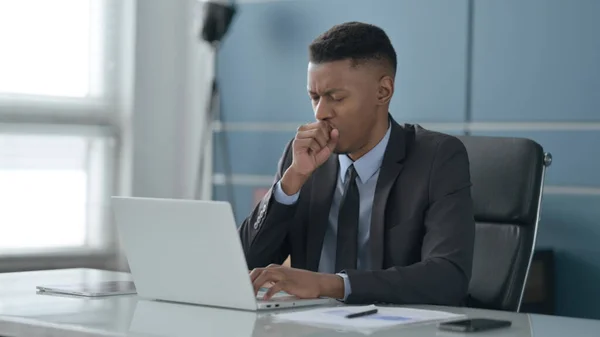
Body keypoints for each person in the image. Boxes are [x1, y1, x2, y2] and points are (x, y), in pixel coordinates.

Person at [238, 21, 475, 305]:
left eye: (335, 98)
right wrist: (290, 185)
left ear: (383, 91)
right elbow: (245, 263)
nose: (320, 112)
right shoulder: (301, 157)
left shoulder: (438, 158)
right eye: (314, 97)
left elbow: (448, 277)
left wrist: (330, 284)